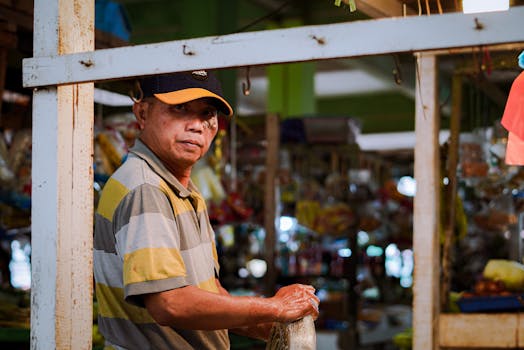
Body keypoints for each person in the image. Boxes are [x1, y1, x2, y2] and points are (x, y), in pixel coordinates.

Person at [93, 70, 319, 349]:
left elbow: (208, 292)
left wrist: (277, 327)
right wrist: (273, 307)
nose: (197, 126)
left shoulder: (182, 189)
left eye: (206, 114)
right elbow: (170, 303)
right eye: (180, 109)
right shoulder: (146, 189)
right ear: (142, 114)